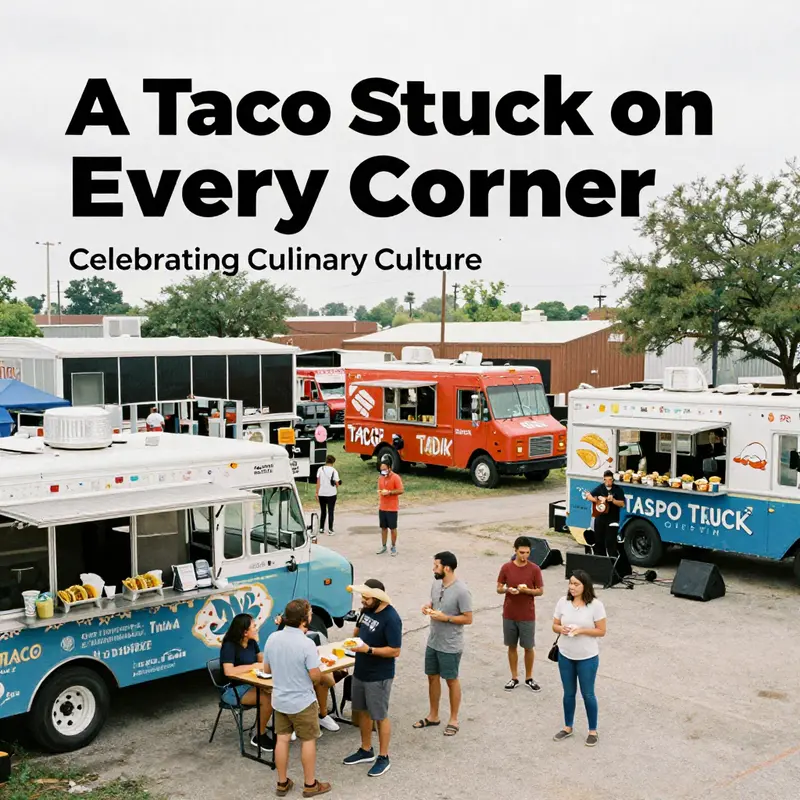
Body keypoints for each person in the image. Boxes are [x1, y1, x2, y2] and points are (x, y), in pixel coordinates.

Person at [264, 599, 331, 797]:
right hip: (302, 700)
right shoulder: (306, 643)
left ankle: (282, 782)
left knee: (282, 741)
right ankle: (310, 785)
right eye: (309, 614)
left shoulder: (272, 638)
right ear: (304, 619)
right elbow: (315, 676)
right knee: (308, 740)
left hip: (280, 699)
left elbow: (267, 669)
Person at [342, 579, 402, 777]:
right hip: (361, 670)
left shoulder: (391, 618)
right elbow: (359, 631)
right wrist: (354, 639)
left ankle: (384, 757)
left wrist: (368, 649)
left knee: (379, 716)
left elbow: (395, 651)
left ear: (378, 598)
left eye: (366, 597)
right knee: (362, 712)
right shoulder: (366, 610)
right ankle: (366, 749)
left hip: (379, 676)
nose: (363, 600)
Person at [415, 551, 473, 737]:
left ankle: (453, 719)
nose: (433, 568)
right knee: (432, 676)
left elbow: (468, 618)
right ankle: (433, 716)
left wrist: (446, 618)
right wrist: (428, 607)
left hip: (450, 644)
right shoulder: (436, 583)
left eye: (436, 566)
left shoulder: (462, 591)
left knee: (451, 680)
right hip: (433, 640)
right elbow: (434, 602)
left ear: (446, 568)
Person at [552, 569, 607, 747]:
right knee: (568, 693)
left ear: (585, 586)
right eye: (571, 583)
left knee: (588, 694)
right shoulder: (563, 602)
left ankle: (593, 730)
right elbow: (555, 625)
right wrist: (562, 629)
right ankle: (568, 726)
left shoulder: (596, 605)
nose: (572, 587)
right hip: (565, 654)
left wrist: (581, 630)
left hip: (587, 657)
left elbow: (601, 631)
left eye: (576, 584)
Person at [274, 612, 344, 734]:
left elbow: (327, 680)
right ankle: (292, 723)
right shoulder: (280, 638)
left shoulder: (313, 639)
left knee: (322, 679)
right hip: (290, 681)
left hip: (309, 671)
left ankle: (322, 715)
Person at [219, 613, 274, 751]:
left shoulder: (251, 642)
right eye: (254, 626)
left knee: (277, 691)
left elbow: (261, 659)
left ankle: (278, 729)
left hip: (251, 683)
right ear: (244, 632)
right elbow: (229, 671)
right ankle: (258, 735)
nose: (256, 628)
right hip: (233, 690)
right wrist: (253, 666)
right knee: (267, 698)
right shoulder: (229, 646)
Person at [497, 536, 544, 692]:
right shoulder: (506, 568)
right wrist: (507, 589)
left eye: (527, 553)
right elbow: (498, 587)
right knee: (511, 646)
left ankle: (529, 677)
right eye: (521, 552)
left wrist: (526, 591)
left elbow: (540, 591)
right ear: (515, 550)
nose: (524, 556)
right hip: (509, 613)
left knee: (528, 647)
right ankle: (514, 677)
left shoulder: (535, 569)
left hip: (527, 614)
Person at [584, 470, 625, 557]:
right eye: (606, 480)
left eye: (610, 480)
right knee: (599, 542)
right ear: (603, 479)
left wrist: (613, 500)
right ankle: (600, 562)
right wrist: (596, 500)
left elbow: (622, 504)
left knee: (610, 542)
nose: (608, 482)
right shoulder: (600, 488)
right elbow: (588, 496)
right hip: (600, 518)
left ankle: (613, 562)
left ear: (613, 480)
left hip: (612, 519)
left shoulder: (618, 489)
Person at [376, 454, 403, 557]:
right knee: (383, 528)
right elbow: (380, 488)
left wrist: (390, 492)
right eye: (381, 469)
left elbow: (401, 490)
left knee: (392, 528)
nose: (383, 471)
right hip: (382, 507)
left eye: (384, 469)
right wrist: (380, 492)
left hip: (392, 507)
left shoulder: (396, 477)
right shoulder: (381, 478)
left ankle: (393, 546)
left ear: (389, 468)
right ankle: (383, 546)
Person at [316, 454, 341, 536]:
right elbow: (337, 484)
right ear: (333, 462)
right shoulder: (334, 471)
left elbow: (318, 482)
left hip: (321, 493)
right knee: (331, 511)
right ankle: (330, 529)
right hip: (331, 494)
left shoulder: (320, 469)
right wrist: (338, 483)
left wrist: (317, 492)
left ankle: (321, 528)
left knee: (323, 511)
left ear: (326, 461)